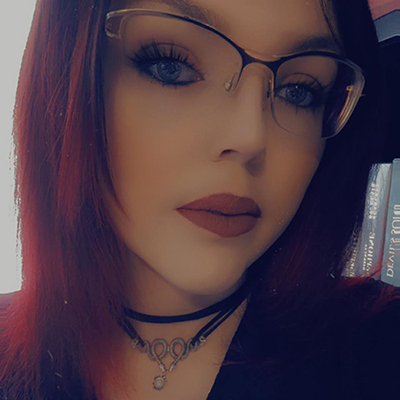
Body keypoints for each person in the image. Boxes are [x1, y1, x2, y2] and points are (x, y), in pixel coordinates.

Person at [0, 0, 399, 399]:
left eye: (299, 91)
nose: (250, 138)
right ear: (68, 76)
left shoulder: (381, 348)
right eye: (170, 67)